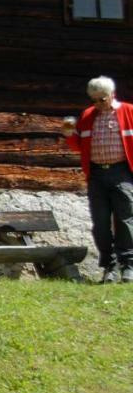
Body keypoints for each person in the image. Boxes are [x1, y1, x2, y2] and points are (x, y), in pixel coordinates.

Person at [63, 75, 133, 283]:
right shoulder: (87, 115)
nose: (98, 104)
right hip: (97, 175)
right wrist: (69, 134)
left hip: (122, 172)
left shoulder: (129, 111)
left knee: (125, 220)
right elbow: (79, 147)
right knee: (100, 223)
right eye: (94, 100)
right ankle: (108, 267)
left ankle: (128, 266)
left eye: (102, 99)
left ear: (112, 95)